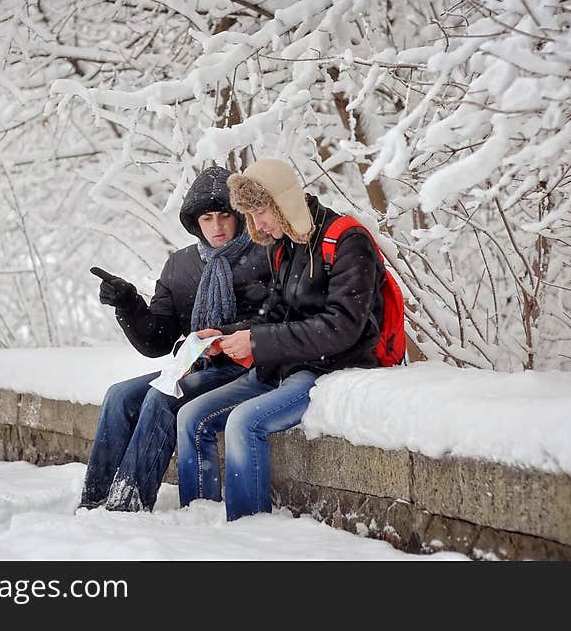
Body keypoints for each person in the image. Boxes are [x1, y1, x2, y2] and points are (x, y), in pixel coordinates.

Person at [176, 158, 386, 521]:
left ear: (283, 202)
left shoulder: (348, 240)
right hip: (282, 364)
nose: (256, 225)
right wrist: (224, 334)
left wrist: (257, 344)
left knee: (243, 422)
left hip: (330, 368)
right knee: (191, 416)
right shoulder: (283, 245)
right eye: (251, 215)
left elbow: (341, 328)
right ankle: (200, 525)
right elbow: (274, 314)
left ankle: (248, 532)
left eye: (260, 211)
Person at [78, 166, 269, 513]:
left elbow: (273, 319)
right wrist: (128, 303)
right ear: (195, 222)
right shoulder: (181, 265)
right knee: (119, 396)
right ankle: (94, 502)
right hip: (197, 366)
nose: (217, 227)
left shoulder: (264, 254)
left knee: (161, 396)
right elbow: (157, 341)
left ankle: (128, 504)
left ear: (239, 215)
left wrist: (222, 336)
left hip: (243, 368)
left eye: (225, 215)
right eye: (208, 218)